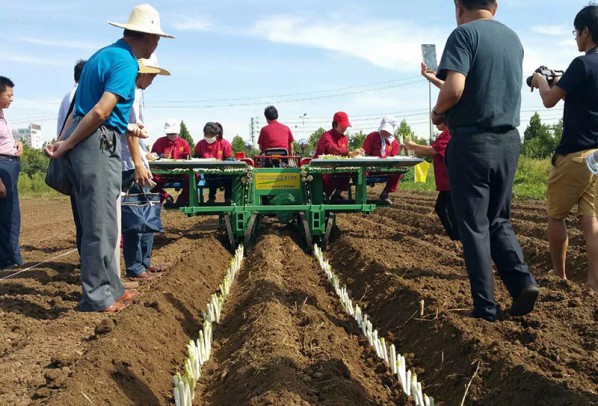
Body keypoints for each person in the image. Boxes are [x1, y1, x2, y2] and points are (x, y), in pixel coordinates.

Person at [45, 4, 174, 313]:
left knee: (106, 221)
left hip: (94, 139)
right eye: (157, 39)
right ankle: (97, 296)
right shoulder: (126, 63)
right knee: (100, 223)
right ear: (149, 38)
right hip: (97, 143)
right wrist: (67, 145)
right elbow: (101, 110)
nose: (156, 44)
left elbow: (84, 107)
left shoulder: (102, 55)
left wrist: (67, 140)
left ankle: (112, 287)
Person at [432, 0, 538, 321]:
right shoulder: (512, 38)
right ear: (495, 5)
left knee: (474, 225)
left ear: (458, 6)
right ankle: (522, 284)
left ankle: (485, 307)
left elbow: (454, 89)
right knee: (498, 219)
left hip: (472, 142)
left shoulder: (463, 35)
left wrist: (438, 112)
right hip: (508, 141)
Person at [530, 5, 598, 292]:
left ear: (585, 31)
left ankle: (560, 277)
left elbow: (549, 100)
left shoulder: (581, 64)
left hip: (574, 154)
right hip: (597, 157)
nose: (575, 39)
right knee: (591, 219)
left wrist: (540, 81)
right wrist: (560, 81)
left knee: (556, 216)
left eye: (576, 32)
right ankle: (594, 284)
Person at [121, 53, 170, 281]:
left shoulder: (138, 92)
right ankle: (135, 267)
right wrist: (138, 163)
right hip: (130, 164)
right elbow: (128, 131)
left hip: (139, 160)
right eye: (151, 76)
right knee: (135, 215)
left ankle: (144, 261)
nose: (152, 81)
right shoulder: (129, 92)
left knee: (147, 212)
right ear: (142, 72)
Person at [404, 123, 459, 241]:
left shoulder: (450, 134)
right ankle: (456, 238)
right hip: (447, 182)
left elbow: (432, 150)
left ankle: (458, 238)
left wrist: (413, 146)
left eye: (438, 120)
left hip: (452, 181)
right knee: (443, 209)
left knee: (449, 211)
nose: (435, 123)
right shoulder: (444, 135)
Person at [57, 59, 86, 256]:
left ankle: (85, 260)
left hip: (67, 154)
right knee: (87, 214)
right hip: (79, 156)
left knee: (80, 213)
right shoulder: (82, 94)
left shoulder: (68, 95)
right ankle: (89, 263)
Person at [0, 77, 24, 270]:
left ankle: (12, 256)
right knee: (6, 215)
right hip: (2, 168)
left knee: (12, 214)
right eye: (9, 95)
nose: (11, 99)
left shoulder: (3, 116)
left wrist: (17, 143)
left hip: (10, 164)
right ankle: (5, 260)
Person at [314, 111, 364, 201]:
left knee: (348, 170)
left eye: (346, 126)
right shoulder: (327, 136)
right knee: (338, 173)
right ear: (335, 124)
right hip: (321, 169)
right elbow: (333, 149)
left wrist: (356, 154)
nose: (345, 128)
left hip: (337, 167)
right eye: (343, 125)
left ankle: (337, 194)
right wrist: (349, 153)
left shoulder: (344, 138)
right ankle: (324, 195)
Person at [362, 115, 402, 204]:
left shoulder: (394, 143)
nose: (384, 133)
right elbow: (364, 153)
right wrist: (373, 160)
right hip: (370, 168)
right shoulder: (372, 137)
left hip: (385, 169)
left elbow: (394, 158)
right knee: (360, 171)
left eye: (387, 131)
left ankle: (385, 193)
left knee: (399, 170)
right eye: (383, 130)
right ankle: (361, 194)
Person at [151, 119, 191, 207]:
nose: (172, 136)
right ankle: (165, 196)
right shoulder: (159, 142)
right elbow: (152, 155)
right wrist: (160, 156)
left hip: (180, 172)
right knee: (150, 180)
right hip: (163, 172)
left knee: (193, 178)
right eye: (170, 134)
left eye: (174, 134)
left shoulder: (183, 143)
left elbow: (188, 157)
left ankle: (182, 200)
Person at [194, 121, 234, 204]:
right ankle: (211, 198)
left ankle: (228, 198)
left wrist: (221, 165)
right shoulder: (200, 144)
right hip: (207, 172)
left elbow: (229, 159)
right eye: (206, 136)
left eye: (210, 136)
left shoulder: (224, 144)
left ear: (217, 135)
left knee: (229, 177)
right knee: (212, 175)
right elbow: (195, 158)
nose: (208, 138)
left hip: (223, 172)